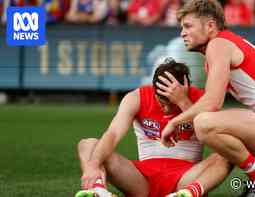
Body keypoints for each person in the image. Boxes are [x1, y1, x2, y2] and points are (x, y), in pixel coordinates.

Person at [160, 1, 255, 197]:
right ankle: (192, 192)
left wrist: (175, 121)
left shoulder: (218, 45)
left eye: (188, 26)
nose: (182, 33)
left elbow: (212, 103)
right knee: (220, 141)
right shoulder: (224, 42)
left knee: (204, 124)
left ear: (210, 26)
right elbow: (212, 108)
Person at [75, 58, 232, 197]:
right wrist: (93, 165)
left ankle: (189, 193)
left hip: (185, 178)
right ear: (154, 88)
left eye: (171, 103)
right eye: (161, 102)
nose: (166, 109)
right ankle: (98, 191)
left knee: (229, 152)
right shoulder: (136, 97)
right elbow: (113, 134)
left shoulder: (202, 99)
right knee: (87, 144)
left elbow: (218, 138)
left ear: (185, 88)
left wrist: (183, 102)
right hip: (141, 180)